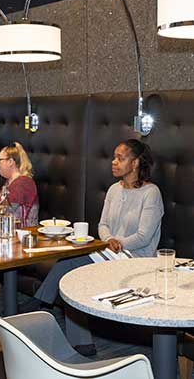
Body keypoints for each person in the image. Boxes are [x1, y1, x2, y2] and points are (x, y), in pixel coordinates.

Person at [24, 139, 164, 355]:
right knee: (70, 270)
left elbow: (144, 236)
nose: (114, 162)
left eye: (120, 158)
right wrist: (109, 240)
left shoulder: (151, 193)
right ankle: (79, 339)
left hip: (136, 257)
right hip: (110, 251)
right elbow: (103, 224)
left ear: (135, 163)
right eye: (114, 157)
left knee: (70, 265)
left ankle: (40, 305)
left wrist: (119, 243)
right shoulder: (113, 190)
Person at [0, 142, 39, 228]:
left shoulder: (23, 183)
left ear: (10, 162)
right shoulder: (8, 183)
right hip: (0, 233)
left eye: (0, 161)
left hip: (18, 236)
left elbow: (8, 213)